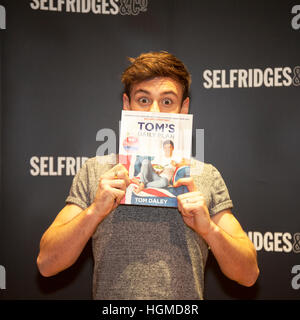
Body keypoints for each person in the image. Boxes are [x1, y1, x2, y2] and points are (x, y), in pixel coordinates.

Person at [37, 51, 259, 299]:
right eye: (143, 100)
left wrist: (209, 230)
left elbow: (249, 274)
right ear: (126, 104)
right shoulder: (97, 172)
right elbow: (47, 264)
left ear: (183, 108)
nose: (154, 112)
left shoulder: (205, 176)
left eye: (167, 102)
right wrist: (95, 212)